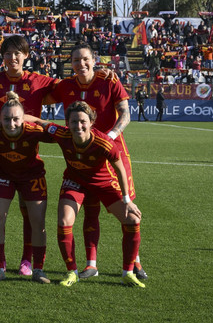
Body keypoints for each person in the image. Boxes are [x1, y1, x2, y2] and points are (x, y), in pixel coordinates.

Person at [49, 43, 147, 280]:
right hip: (82, 153)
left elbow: (125, 113)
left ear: (94, 60)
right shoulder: (65, 86)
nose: (80, 64)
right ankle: (91, 264)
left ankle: (135, 261)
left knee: (127, 207)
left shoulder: (109, 80)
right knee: (90, 210)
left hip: (112, 153)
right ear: (70, 64)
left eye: (85, 59)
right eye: (75, 60)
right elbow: (35, 94)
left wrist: (110, 137)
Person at [0, 35, 59, 277]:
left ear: (26, 56)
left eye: (17, 53)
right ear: (2, 57)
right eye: (7, 53)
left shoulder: (39, 81)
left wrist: (103, 75)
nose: (12, 58)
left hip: (28, 159)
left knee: (30, 213)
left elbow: (73, 87)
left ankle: (28, 260)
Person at [40, 101, 144, 288]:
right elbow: (39, 122)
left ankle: (127, 272)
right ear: (67, 123)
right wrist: (16, 117)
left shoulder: (104, 142)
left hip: (102, 182)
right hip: (75, 182)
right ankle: (72, 272)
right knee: (64, 221)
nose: (78, 126)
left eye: (83, 121)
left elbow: (120, 169)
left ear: (91, 122)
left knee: (133, 220)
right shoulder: (62, 134)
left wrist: (127, 200)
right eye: (74, 122)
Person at [0, 92, 52, 284]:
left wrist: (36, 120)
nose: (11, 123)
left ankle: (38, 269)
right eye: (6, 119)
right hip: (2, 175)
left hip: (31, 176)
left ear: (23, 119)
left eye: (16, 119)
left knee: (37, 220)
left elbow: (62, 133)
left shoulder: (34, 131)